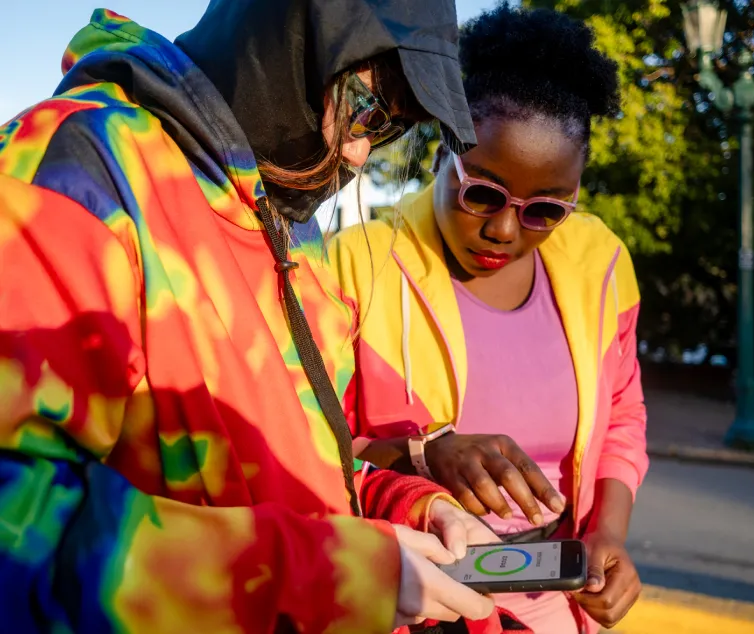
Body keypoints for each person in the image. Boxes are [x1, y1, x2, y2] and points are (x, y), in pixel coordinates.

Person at [0, 1, 528, 632]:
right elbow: (16, 527)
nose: (360, 156)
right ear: (283, 42)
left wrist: (406, 508)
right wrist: (326, 575)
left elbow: (299, 465)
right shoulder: (74, 169)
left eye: (386, 132)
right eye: (366, 110)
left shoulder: (283, 223)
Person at [331, 6, 648, 633]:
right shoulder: (357, 264)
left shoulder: (601, 263)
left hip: (560, 603)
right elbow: (306, 446)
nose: (504, 230)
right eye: (482, 192)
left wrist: (608, 536)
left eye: (546, 210)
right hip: (417, 605)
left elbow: (623, 419)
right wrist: (426, 454)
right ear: (445, 146)